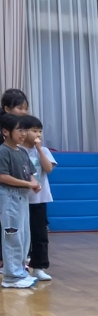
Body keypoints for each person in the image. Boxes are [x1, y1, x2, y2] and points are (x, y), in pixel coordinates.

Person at [0, 113, 41, 289]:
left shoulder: (22, 151)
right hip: (9, 197)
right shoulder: (3, 151)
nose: (24, 134)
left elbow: (30, 173)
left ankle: (20, 272)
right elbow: (3, 176)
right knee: (12, 236)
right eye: (19, 130)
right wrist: (28, 184)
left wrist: (34, 182)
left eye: (25, 130)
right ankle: (11, 277)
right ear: (6, 132)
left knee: (24, 236)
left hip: (22, 198)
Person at [18, 115, 55, 281]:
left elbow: (48, 169)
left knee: (40, 235)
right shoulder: (16, 150)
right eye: (34, 131)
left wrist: (39, 149)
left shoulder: (44, 151)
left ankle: (39, 268)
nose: (38, 134)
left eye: (40, 131)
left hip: (39, 200)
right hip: (20, 199)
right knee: (20, 235)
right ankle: (20, 267)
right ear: (23, 132)